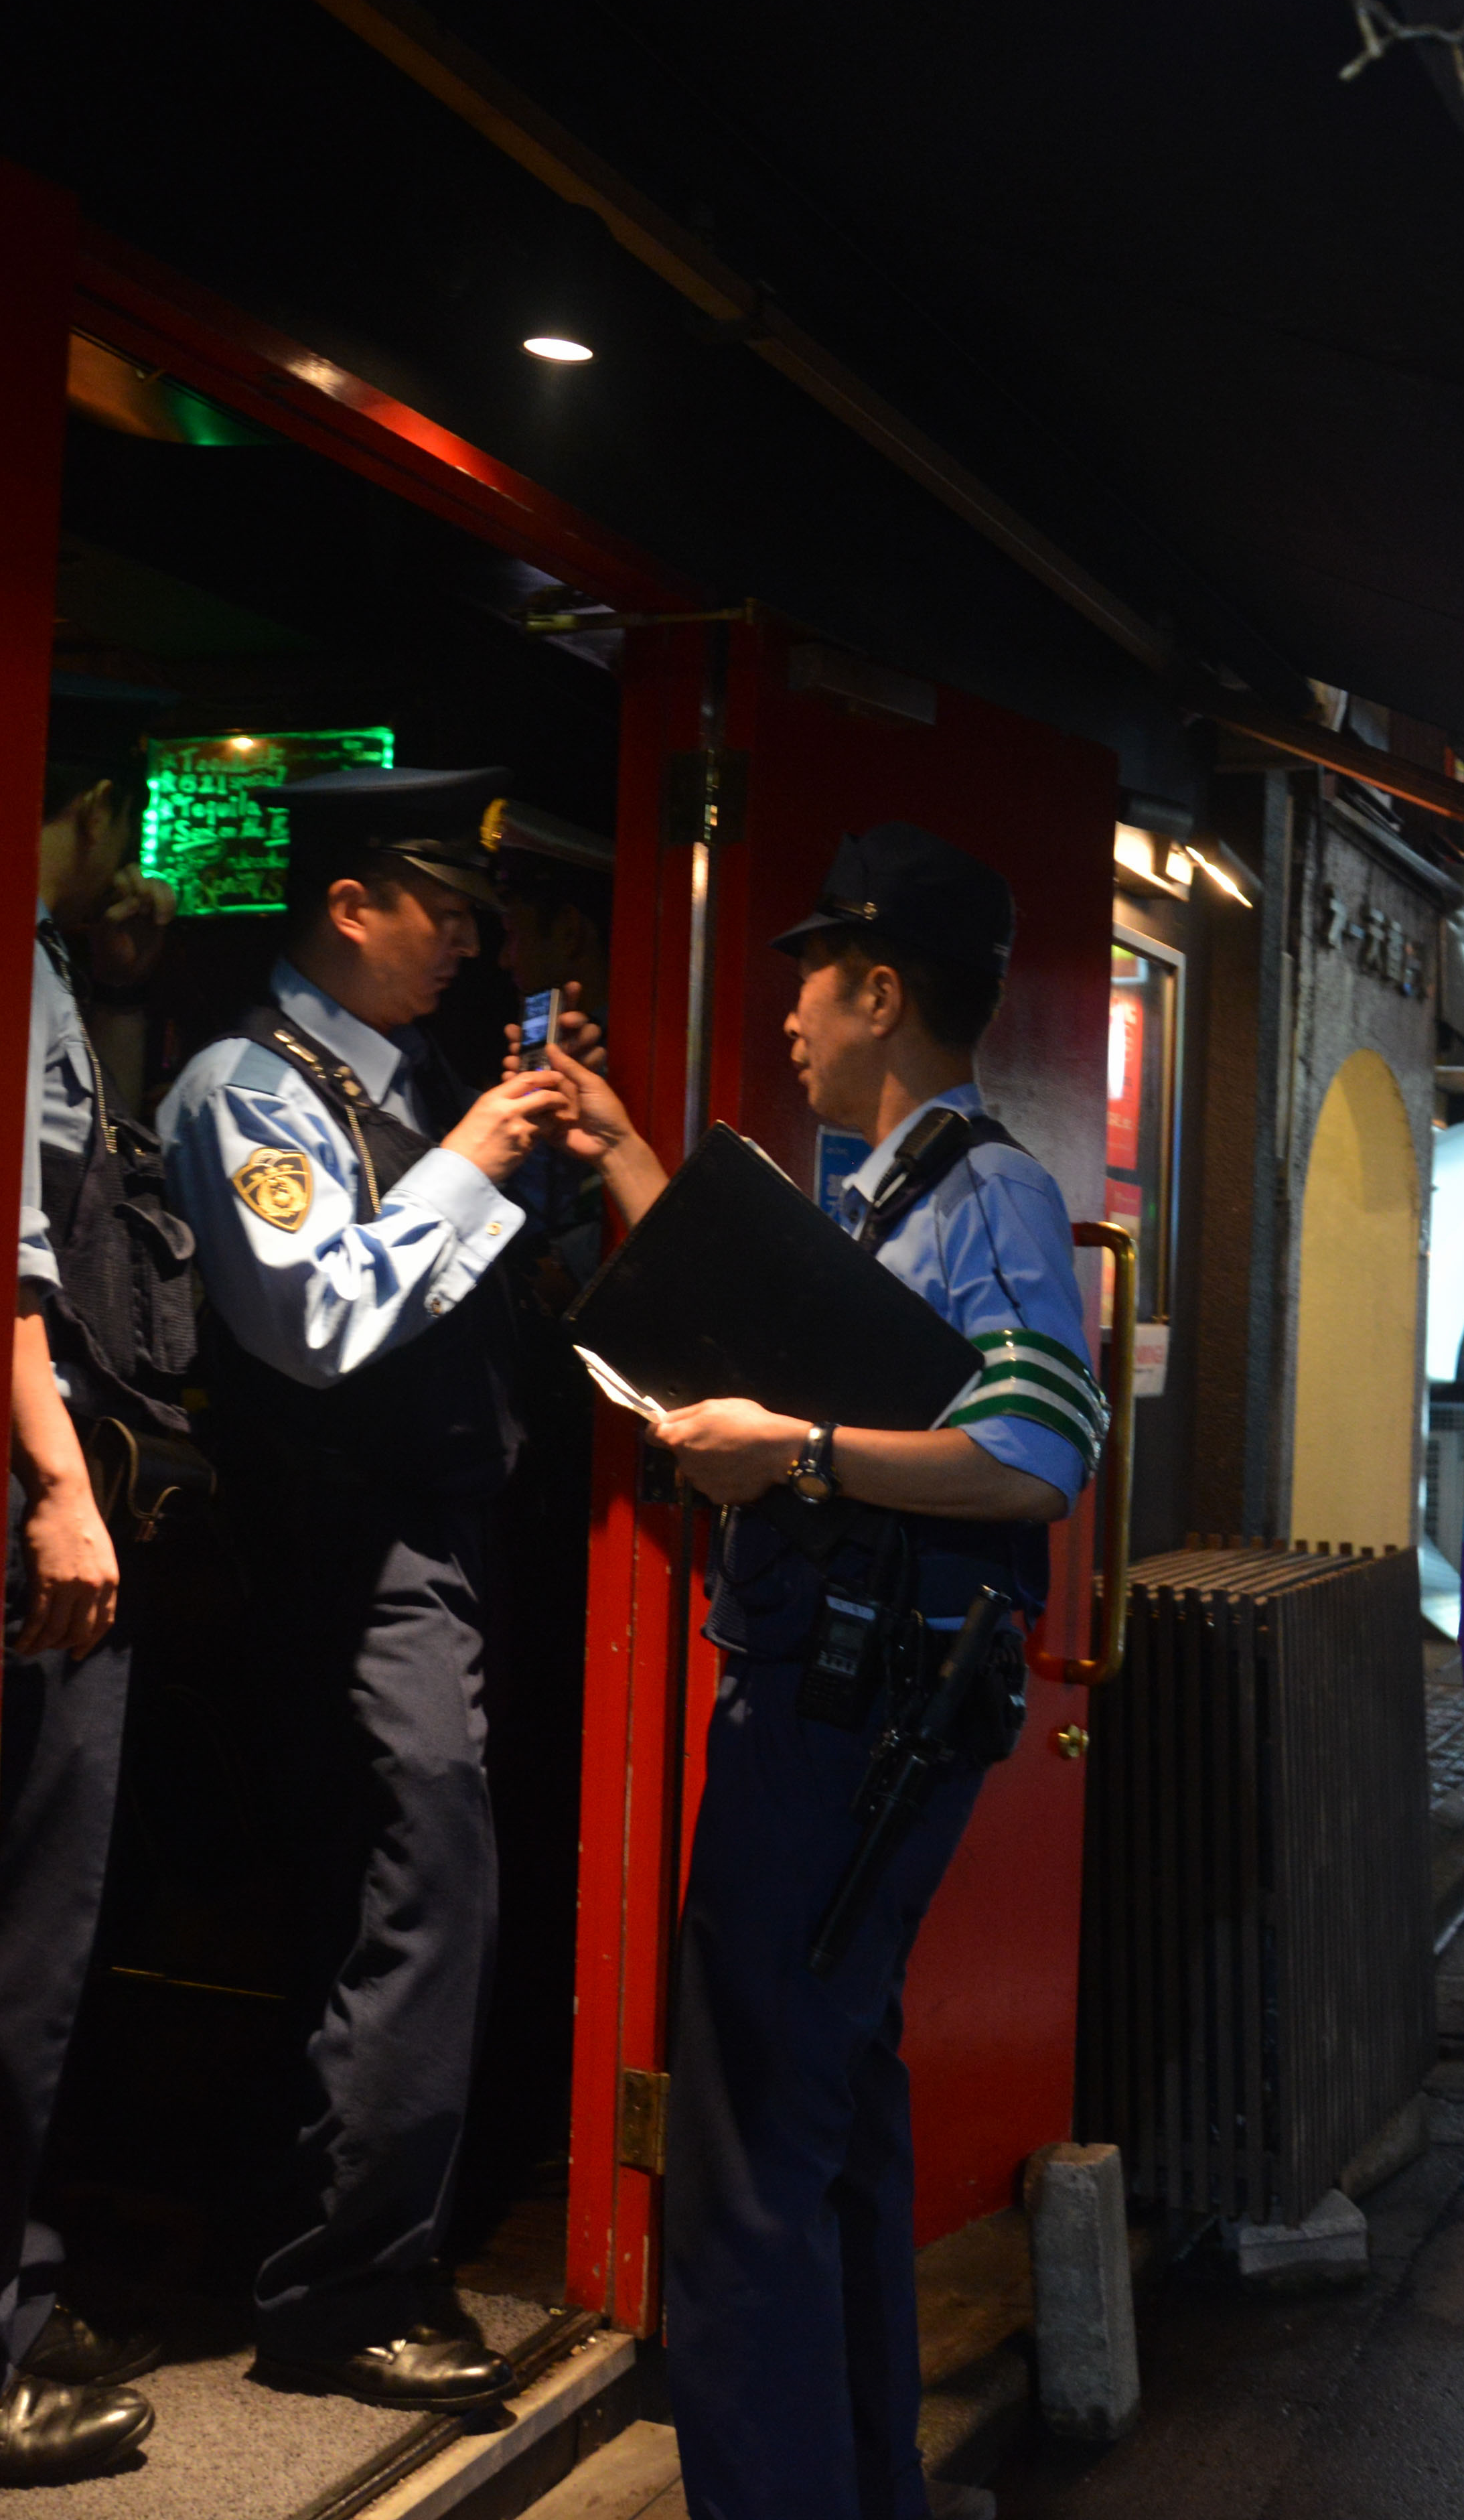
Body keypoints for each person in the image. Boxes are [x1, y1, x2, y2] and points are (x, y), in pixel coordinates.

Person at [545, 824, 1098, 2520]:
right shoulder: (885, 1188)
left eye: (809, 977)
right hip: (836, 1708)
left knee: (747, 2156)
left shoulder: (985, 1188)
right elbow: (800, 1344)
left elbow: (1036, 1450)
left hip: (843, 1727)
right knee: (830, 2116)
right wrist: (624, 1150)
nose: (787, 1012)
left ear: (879, 990)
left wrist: (789, 1453)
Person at [153, 766, 613, 2406]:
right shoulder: (244, 1088)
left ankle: (355, 2244)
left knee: (419, 1884)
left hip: (450, 1521)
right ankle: (341, 2285)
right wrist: (476, 1151)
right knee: (412, 1883)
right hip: (342, 1547)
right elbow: (313, 1319)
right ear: (349, 906)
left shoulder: (404, 1077)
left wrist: (537, 1153)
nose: (470, 942)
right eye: (444, 908)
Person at [0, 737, 173, 2486]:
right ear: (85, 805)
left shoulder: (38, 959)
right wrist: (58, 1482)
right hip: (15, 1499)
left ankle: (6, 2295)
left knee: (17, 1932)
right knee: (16, 1937)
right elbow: (2, 1256)